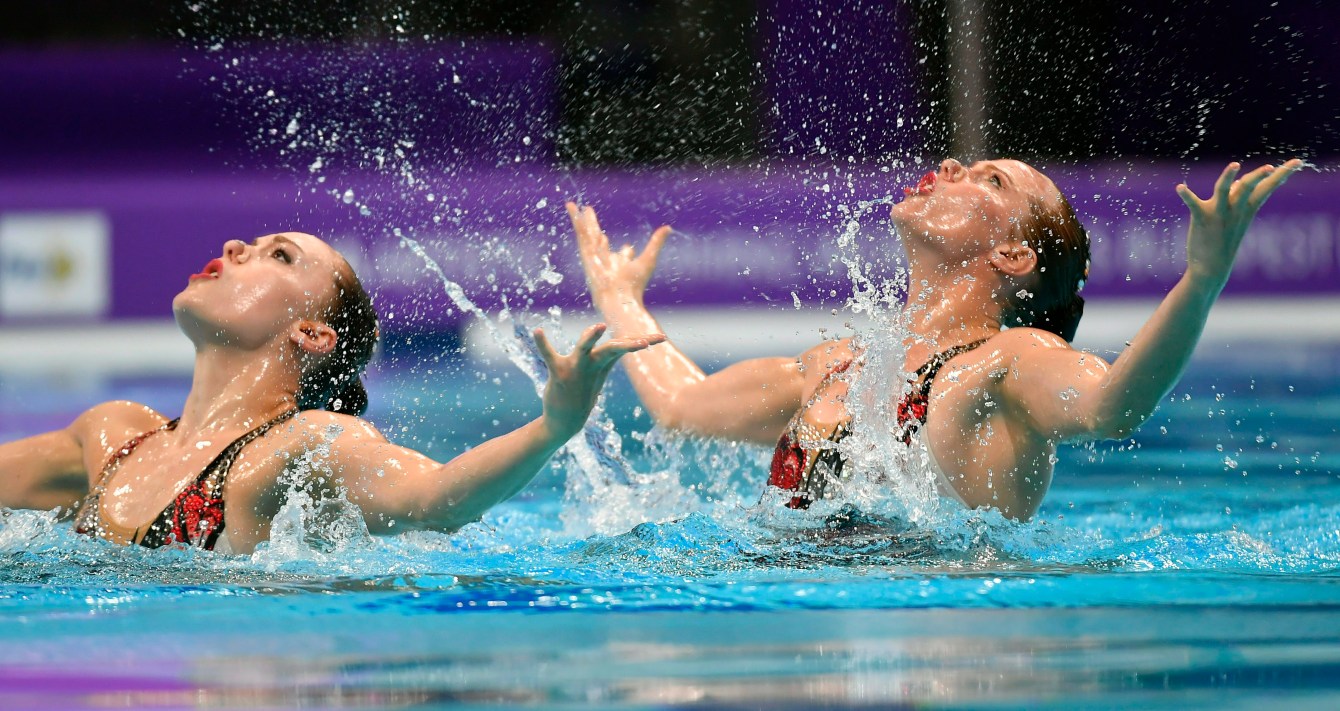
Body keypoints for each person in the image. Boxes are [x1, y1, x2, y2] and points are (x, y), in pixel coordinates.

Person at [567, 158, 1302, 519]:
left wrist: (1199, 281)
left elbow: (1112, 406)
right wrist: (619, 300)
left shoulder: (1012, 362)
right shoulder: (833, 366)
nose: (949, 167)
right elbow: (680, 404)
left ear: (1013, 256)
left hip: (958, 649)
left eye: (989, 180)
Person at [0, 232, 663, 553]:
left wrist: (553, 425)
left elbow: (436, 499)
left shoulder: (305, 444)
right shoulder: (113, 434)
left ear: (313, 333)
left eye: (277, 255)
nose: (234, 245)